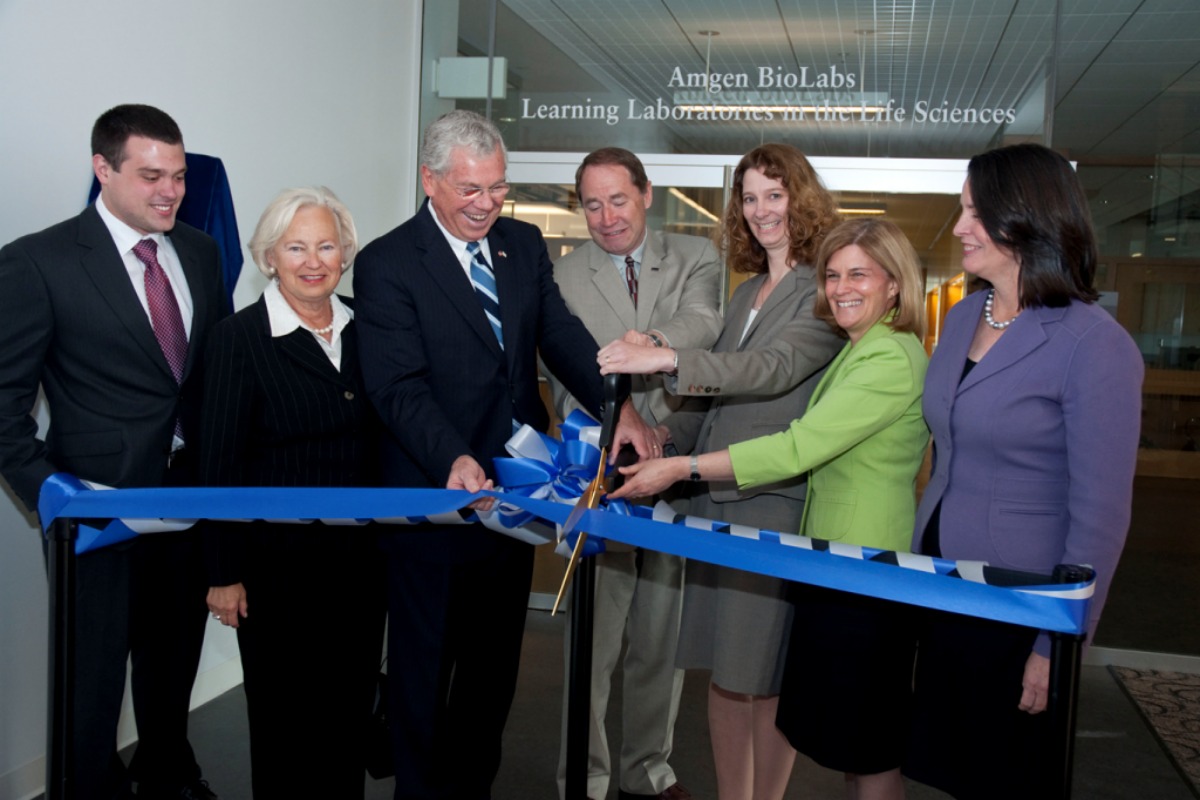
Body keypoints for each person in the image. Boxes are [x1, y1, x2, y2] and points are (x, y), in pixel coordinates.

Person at [354, 109, 653, 800]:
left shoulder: (521, 243)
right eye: (470, 189)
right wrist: (453, 458)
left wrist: (621, 408)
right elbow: (396, 386)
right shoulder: (388, 262)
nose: (487, 203)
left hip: (518, 497)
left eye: (497, 187)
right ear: (430, 180)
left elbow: (562, 335)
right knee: (424, 675)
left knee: (492, 676)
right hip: (435, 501)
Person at [598, 142, 843, 800]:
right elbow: (713, 401)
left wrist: (666, 357)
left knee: (764, 678)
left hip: (769, 502)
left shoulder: (822, 289)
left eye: (775, 195)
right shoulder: (746, 292)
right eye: (750, 197)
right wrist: (656, 439)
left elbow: (769, 370)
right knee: (725, 678)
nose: (761, 210)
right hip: (715, 505)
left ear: (801, 198)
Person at [903, 143, 1144, 799]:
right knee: (953, 773)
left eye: (976, 213)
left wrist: (1056, 642)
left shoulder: (1094, 344)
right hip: (946, 589)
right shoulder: (961, 318)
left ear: (1028, 218)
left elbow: (1100, 516)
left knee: (1007, 780)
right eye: (962, 210)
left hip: (1021, 608)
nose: (960, 227)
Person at [0, 104, 225, 800]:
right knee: (91, 685)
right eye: (151, 176)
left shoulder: (200, 251)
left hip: (188, 502)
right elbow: (3, 405)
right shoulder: (37, 261)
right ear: (103, 168)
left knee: (172, 667)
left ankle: (167, 774)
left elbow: (209, 380)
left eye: (179, 176)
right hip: (96, 515)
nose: (170, 191)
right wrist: (54, 496)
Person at [547, 147, 723, 800]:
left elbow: (703, 326)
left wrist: (642, 351)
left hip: (675, 467)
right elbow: (559, 373)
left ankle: (648, 769)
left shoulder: (697, 256)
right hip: (601, 477)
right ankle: (585, 778)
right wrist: (613, 425)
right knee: (591, 647)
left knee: (660, 642)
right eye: (592, 205)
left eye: (618, 200)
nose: (606, 217)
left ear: (647, 194)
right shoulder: (563, 275)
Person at [198, 187, 385, 798]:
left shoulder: (371, 326)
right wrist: (222, 573)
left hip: (361, 568)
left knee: (347, 722)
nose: (313, 261)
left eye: (326, 246)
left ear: (345, 253)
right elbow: (218, 463)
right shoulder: (237, 338)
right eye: (296, 247)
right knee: (284, 727)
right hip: (276, 573)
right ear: (269, 256)